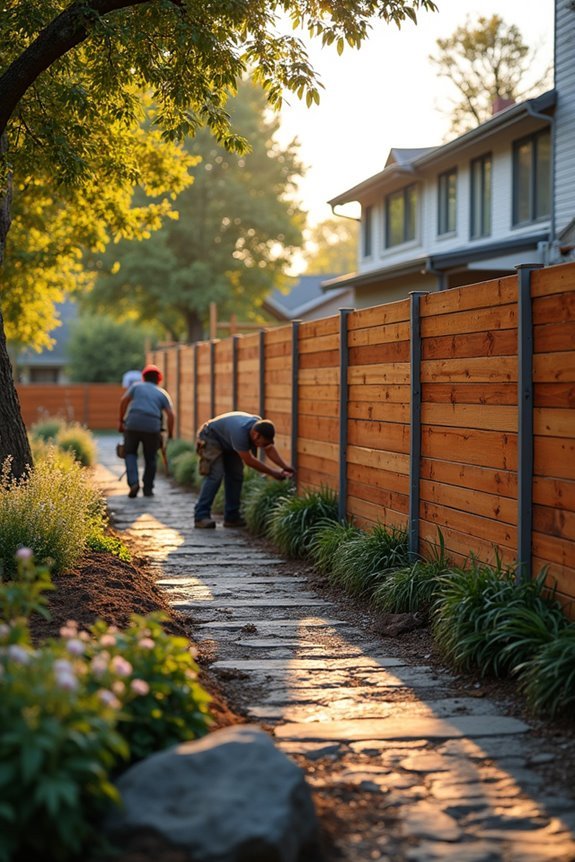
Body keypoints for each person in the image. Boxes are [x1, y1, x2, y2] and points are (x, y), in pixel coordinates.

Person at [194, 411, 294, 529]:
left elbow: (269, 448)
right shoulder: (240, 434)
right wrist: (273, 473)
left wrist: (285, 467)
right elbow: (249, 461)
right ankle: (201, 516)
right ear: (256, 435)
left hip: (228, 441)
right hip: (210, 436)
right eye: (263, 442)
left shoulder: (258, 426)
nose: (263, 446)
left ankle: (232, 517)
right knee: (215, 475)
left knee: (236, 475)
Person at [118, 364, 175, 498]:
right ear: (159, 379)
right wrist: (170, 434)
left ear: (144, 377)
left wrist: (121, 421)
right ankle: (148, 489)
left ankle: (133, 482)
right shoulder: (162, 393)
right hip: (152, 427)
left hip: (133, 424)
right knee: (151, 458)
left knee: (130, 453)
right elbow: (171, 415)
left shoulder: (136, 387)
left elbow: (123, 401)